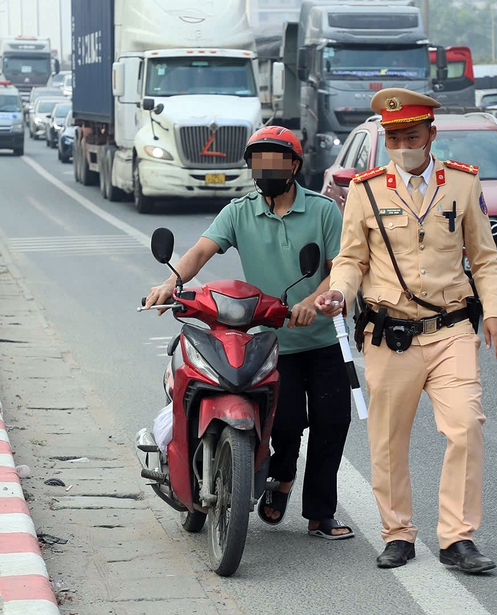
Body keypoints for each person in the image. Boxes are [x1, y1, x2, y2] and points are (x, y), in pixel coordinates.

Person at [316, 88, 497, 573]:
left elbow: (484, 259)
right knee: (387, 438)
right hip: (390, 336)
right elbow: (350, 259)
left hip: (450, 331)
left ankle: (457, 538)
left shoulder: (462, 185)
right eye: (394, 137)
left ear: (431, 136)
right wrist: (339, 291)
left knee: (465, 426)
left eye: (411, 135)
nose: (402, 144)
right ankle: (398, 533)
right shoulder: (365, 190)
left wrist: (495, 313)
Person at [144, 126, 355, 540]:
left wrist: (312, 302)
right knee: (285, 421)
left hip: (325, 338)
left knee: (332, 424)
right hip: (273, 340)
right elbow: (202, 251)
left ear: (294, 165)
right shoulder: (240, 211)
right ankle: (280, 480)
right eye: (259, 162)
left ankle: (320, 515)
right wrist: (171, 283)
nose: (266, 169)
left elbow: (339, 267)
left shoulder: (323, 211)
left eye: (275, 160)